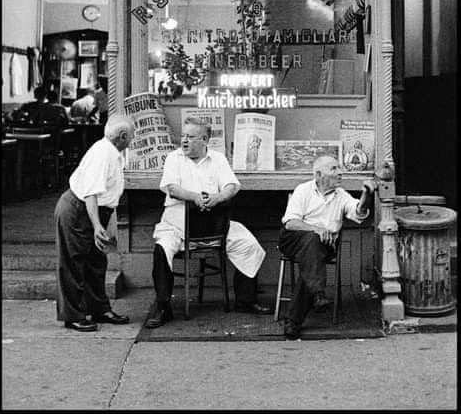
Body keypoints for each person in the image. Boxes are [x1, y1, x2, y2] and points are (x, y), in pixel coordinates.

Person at [146, 116, 271, 328]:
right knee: (162, 249)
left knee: (248, 244)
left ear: (204, 139)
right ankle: (163, 305)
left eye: (191, 137)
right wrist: (195, 197)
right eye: (183, 135)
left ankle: (245, 300)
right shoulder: (174, 158)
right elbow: (172, 188)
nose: (184, 140)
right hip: (178, 222)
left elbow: (232, 186)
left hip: (214, 223)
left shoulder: (218, 159)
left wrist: (217, 198)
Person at [279, 155, 376, 340]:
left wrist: (366, 194)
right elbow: (291, 223)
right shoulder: (303, 190)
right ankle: (316, 293)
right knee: (312, 243)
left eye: (339, 168)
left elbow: (359, 213)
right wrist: (317, 229)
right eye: (333, 168)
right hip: (294, 239)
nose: (340, 172)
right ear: (318, 174)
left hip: (323, 246)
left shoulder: (341, 195)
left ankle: (294, 321)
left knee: (312, 256)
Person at [54, 113, 135, 332]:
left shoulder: (113, 152)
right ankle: (73, 315)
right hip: (80, 208)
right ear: (123, 136)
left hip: (96, 211)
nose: (132, 140)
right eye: (132, 136)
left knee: (96, 262)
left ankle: (99, 308)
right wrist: (98, 225)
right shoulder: (102, 154)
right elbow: (91, 193)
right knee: (74, 262)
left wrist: (104, 224)